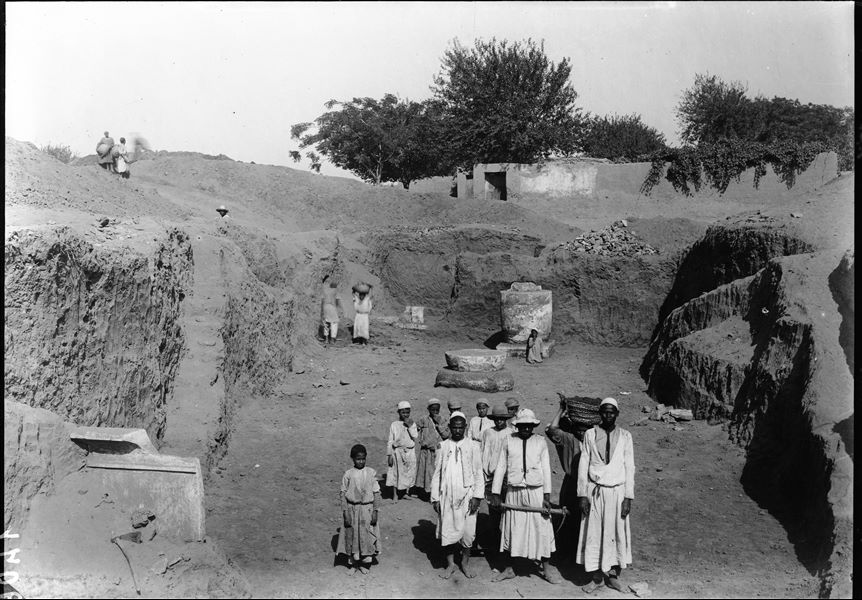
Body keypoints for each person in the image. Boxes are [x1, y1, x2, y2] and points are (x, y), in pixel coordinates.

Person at [490, 409, 562, 584]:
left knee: (542, 528)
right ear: (517, 426)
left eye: (529, 426)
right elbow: (500, 467)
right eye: (523, 425)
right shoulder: (509, 440)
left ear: (533, 426)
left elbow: (546, 469)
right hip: (514, 491)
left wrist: (546, 495)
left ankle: (546, 569)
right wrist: (495, 494)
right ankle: (509, 569)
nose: (526, 429)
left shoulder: (540, 442)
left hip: (536, 491)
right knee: (512, 527)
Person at [576, 398, 635, 593]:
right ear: (599, 414)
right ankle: (596, 577)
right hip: (595, 492)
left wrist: (628, 497)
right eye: (604, 412)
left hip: (617, 492)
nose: (608, 415)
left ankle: (613, 576)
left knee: (615, 533)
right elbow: (583, 464)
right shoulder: (590, 435)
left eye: (612, 412)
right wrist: (582, 495)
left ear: (617, 414)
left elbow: (630, 467)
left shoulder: (626, 436)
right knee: (594, 534)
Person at [431, 412, 484, 579]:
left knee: (468, 533)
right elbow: (437, 473)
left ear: (465, 428)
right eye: (454, 427)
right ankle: (451, 564)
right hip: (447, 496)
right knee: (448, 531)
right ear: (450, 428)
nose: (458, 430)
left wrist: (477, 497)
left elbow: (478, 473)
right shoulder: (442, 446)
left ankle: (465, 563)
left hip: (468, 496)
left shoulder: (473, 446)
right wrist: (435, 497)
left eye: (461, 427)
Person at [545, 397, 592, 556]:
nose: (582, 432)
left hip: (590, 485)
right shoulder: (569, 439)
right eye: (579, 429)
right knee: (569, 516)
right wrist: (560, 409)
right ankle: (566, 554)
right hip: (572, 484)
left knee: (587, 518)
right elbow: (552, 429)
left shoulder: (594, 441)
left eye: (586, 429)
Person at [336, 444, 381, 574]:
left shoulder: (371, 473)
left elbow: (377, 493)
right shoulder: (348, 474)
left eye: (363, 459)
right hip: (352, 509)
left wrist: (375, 511)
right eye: (358, 459)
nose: (360, 461)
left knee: (366, 536)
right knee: (352, 536)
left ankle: (364, 563)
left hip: (367, 510)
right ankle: (353, 564)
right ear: (352, 459)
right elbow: (343, 493)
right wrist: (345, 512)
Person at [479, 405, 512, 564]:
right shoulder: (488, 433)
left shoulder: (511, 433)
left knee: (506, 508)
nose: (499, 421)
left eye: (502, 419)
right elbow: (483, 452)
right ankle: (494, 540)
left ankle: (505, 545)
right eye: (497, 419)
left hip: (506, 477)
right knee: (493, 507)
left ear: (506, 419)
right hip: (489, 476)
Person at [414, 398, 449, 501]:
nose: (435, 412)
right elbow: (414, 428)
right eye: (432, 410)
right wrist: (421, 440)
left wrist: (440, 425)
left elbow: (446, 435)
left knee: (436, 473)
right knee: (426, 472)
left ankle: (435, 494)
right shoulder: (424, 419)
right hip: (426, 452)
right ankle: (427, 493)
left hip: (437, 451)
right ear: (428, 409)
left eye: (437, 410)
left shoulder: (443, 420)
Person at [386, 401, 418, 502]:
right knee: (396, 473)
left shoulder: (412, 423)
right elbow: (390, 440)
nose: (405, 415)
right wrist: (390, 454)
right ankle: (395, 494)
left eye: (407, 412)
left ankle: (405, 493)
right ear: (399, 412)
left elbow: (415, 436)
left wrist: (410, 426)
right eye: (403, 412)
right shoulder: (394, 425)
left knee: (409, 473)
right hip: (397, 452)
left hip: (409, 452)